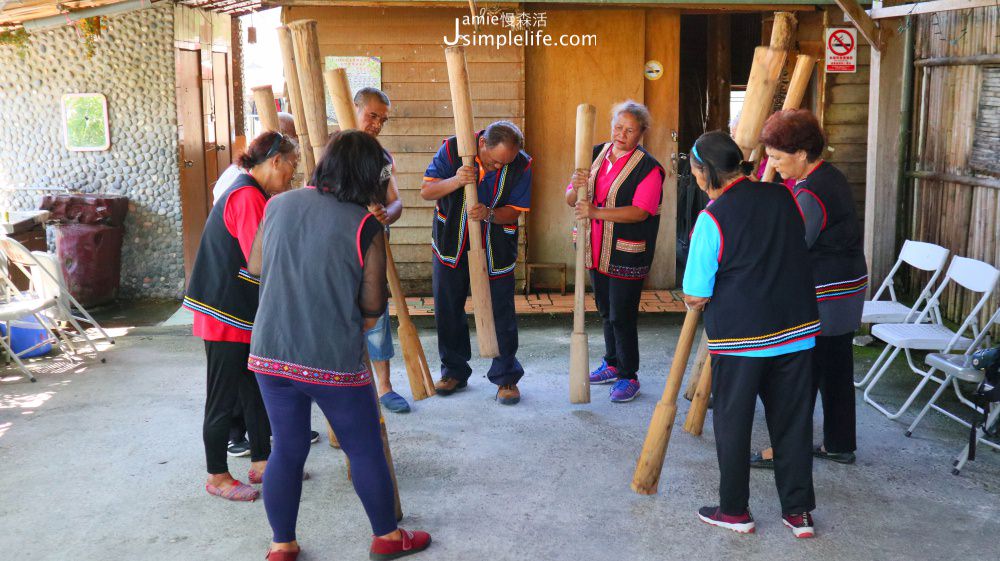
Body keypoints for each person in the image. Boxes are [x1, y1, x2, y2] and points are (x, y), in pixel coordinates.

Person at [247, 130, 431, 561]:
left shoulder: (278, 204)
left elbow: (256, 265)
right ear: (368, 175)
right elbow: (372, 306)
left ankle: (282, 545)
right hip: (332, 360)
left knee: (287, 450)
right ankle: (386, 537)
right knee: (364, 447)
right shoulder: (365, 224)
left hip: (270, 352)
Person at [683, 131, 820, 538]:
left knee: (734, 423)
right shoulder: (782, 197)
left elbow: (695, 294)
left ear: (706, 173)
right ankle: (799, 514)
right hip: (796, 331)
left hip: (743, 340)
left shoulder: (712, 218)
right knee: (793, 423)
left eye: (693, 171)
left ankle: (735, 511)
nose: (692, 178)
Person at [183, 130, 299, 501]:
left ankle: (263, 461)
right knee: (222, 396)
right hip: (223, 312)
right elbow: (261, 263)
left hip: (240, 312)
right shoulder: (248, 196)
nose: (292, 177)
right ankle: (217, 475)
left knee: (255, 389)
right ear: (276, 161)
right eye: (292, 167)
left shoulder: (254, 192)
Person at [748, 109, 868, 469]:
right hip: (845, 288)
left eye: (777, 157)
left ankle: (785, 450)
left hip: (827, 295)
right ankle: (839, 444)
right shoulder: (824, 176)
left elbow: (793, 246)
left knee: (798, 378)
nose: (773, 164)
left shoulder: (812, 193)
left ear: (801, 153)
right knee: (835, 370)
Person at [420, 121, 532, 405]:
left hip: (496, 245)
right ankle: (454, 371)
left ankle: (506, 376)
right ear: (482, 145)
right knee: (447, 308)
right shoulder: (452, 148)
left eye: (504, 163)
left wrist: (490, 214)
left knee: (500, 312)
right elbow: (427, 191)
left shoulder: (521, 164)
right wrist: (458, 180)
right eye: (494, 162)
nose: (498, 167)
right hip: (451, 242)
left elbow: (514, 213)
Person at [565, 100, 665, 403]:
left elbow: (640, 212)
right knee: (606, 311)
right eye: (617, 127)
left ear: (641, 133)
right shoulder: (594, 154)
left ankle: (628, 375)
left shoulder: (650, 168)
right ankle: (611, 363)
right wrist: (574, 186)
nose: (621, 134)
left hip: (626, 253)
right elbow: (571, 200)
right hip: (595, 249)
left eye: (629, 130)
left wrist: (595, 212)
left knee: (622, 315)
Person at [354, 87, 410, 414]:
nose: (376, 124)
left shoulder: (383, 157)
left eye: (382, 119)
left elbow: (396, 199)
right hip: (339, 250)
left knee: (376, 312)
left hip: (374, 247)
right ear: (355, 109)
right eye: (372, 115)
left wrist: (388, 213)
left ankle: (384, 387)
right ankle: (345, 385)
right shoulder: (333, 149)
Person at [214, 113, 298, 204]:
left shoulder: (253, 181)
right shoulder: (245, 190)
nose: (293, 174)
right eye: (293, 165)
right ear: (276, 160)